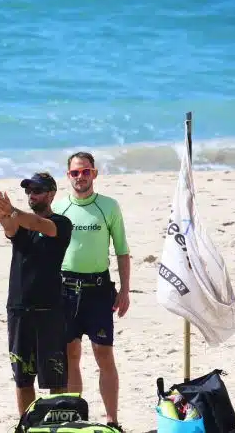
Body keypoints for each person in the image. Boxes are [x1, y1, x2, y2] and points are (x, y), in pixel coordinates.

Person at [51, 151, 131, 431]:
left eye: (85, 172)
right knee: (71, 354)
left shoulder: (108, 207)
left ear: (94, 173)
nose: (81, 177)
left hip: (98, 291)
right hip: (66, 290)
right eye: (75, 173)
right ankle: (75, 417)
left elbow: (121, 251)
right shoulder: (58, 208)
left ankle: (112, 420)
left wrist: (125, 290)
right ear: (68, 176)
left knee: (103, 354)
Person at [0, 171, 74, 417]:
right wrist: (3, 214)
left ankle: (58, 425)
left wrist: (13, 211)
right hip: (19, 307)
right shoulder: (21, 224)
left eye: (37, 191)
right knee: (23, 378)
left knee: (55, 377)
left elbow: (40, 225)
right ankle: (27, 424)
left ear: (51, 194)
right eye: (28, 191)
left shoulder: (61, 223)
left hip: (49, 309)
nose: (31, 195)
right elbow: (10, 229)